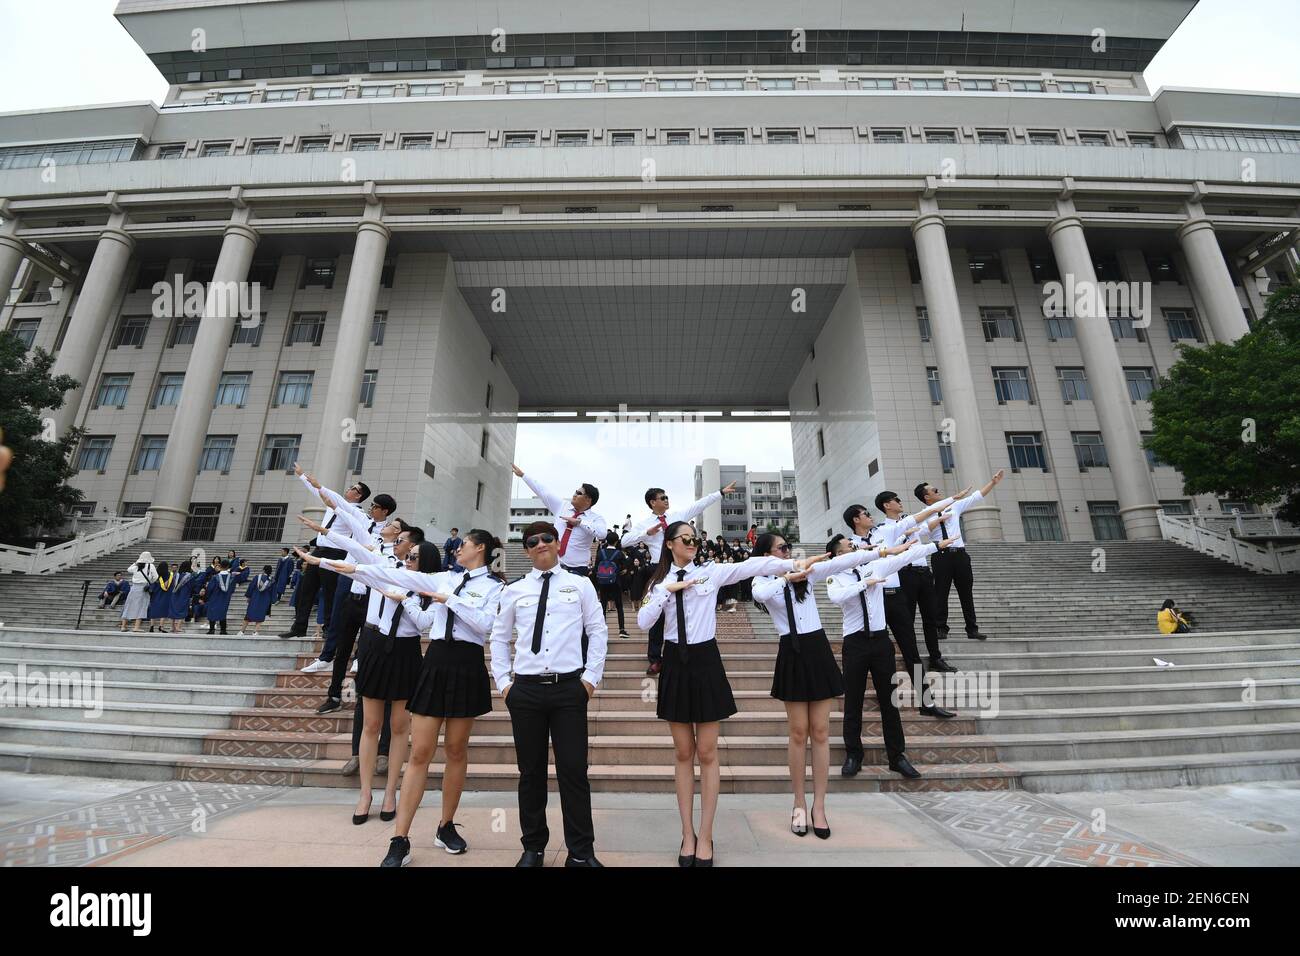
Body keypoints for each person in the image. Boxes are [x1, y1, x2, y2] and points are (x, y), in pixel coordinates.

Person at [637, 521, 825, 866]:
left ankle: (706, 834)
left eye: (695, 538)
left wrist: (792, 564)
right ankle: (687, 833)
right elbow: (643, 621)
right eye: (686, 539)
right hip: (675, 665)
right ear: (669, 545)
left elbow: (753, 566)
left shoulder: (711, 572)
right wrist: (668, 588)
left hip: (706, 660)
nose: (693, 543)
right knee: (683, 753)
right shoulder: (658, 582)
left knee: (707, 752)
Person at [352, 529, 506, 866]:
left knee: (455, 750)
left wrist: (451, 600)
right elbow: (393, 574)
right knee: (420, 752)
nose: (456, 548)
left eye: (463, 544)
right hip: (435, 661)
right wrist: (347, 567)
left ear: (479, 548)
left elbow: (484, 626)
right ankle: (399, 839)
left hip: (466, 664)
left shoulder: (495, 587)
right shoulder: (442, 578)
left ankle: (446, 825)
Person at [750, 532, 903, 839]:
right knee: (797, 733)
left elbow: (845, 560)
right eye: (782, 548)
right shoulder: (762, 580)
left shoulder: (810, 573)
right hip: (791, 652)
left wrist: (882, 552)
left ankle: (819, 806)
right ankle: (798, 804)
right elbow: (763, 595)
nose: (789, 551)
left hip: (817, 649)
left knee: (820, 732)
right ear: (768, 554)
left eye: (789, 547)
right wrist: (788, 574)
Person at [490, 520, 608, 867]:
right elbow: (499, 637)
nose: (540, 544)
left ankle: (581, 853)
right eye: (532, 541)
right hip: (524, 691)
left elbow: (597, 631)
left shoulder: (580, 585)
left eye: (546, 538)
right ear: (526, 550)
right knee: (531, 773)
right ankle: (533, 848)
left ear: (558, 543)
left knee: (573, 771)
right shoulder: (513, 590)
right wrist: (504, 683)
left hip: (569, 688)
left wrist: (590, 679)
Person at [309, 538, 440, 826]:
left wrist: (404, 599)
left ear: (426, 563)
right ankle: (365, 793)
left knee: (398, 727)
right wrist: (321, 561)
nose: (408, 559)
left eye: (415, 557)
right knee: (370, 724)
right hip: (376, 650)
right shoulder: (387, 572)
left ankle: (391, 792)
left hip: (406, 655)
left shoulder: (430, 590)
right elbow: (356, 567)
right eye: (408, 554)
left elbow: (424, 625)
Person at [826, 532, 956, 781]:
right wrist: (867, 583)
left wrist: (936, 545)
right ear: (839, 555)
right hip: (855, 643)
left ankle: (897, 756)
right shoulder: (835, 576)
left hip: (880, 641)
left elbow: (908, 555)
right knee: (853, 701)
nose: (856, 547)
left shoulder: (876, 565)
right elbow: (837, 598)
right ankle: (854, 754)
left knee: (889, 701)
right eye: (849, 546)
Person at [844, 501, 957, 718]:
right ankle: (885, 696)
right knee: (878, 652)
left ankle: (927, 703)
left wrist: (944, 504)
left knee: (911, 651)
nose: (870, 516)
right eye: (865, 514)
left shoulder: (885, 531)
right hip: (871, 601)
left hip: (895, 597)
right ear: (855, 520)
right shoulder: (850, 545)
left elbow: (918, 517)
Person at [622, 480, 737, 675]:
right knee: (657, 617)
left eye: (667, 497)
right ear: (652, 502)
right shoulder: (645, 524)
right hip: (660, 570)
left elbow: (699, 505)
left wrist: (720, 493)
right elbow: (624, 541)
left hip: (683, 569)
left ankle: (687, 651)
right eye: (663, 498)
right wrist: (645, 533)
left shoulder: (676, 517)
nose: (667, 500)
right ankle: (655, 659)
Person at [279, 470, 371, 639]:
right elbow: (318, 491)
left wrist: (318, 485)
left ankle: (329, 629)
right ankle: (299, 627)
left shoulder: (353, 511)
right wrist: (302, 476)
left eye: (353, 488)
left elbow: (325, 491)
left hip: (335, 553)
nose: (349, 489)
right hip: (318, 550)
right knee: (306, 590)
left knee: (330, 593)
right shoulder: (334, 502)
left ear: (358, 496)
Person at [915, 470, 1005, 641]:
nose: (938, 491)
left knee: (966, 593)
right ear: (926, 497)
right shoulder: (923, 515)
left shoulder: (954, 505)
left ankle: (972, 629)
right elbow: (923, 532)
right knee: (941, 593)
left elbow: (976, 496)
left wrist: (993, 482)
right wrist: (937, 521)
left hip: (960, 555)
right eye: (934, 490)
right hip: (941, 556)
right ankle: (941, 628)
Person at [512, 463, 607, 578]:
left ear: (588, 500)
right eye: (575, 491)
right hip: (554, 565)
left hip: (578, 569)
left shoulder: (595, 519)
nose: (574, 494)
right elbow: (543, 491)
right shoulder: (562, 506)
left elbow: (602, 534)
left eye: (579, 493)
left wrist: (580, 522)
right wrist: (523, 475)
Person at [121, 553, 156, 632]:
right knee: (142, 606)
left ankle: (123, 626)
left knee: (128, 605)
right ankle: (136, 627)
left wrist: (136, 562)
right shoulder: (151, 566)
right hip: (143, 588)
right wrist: (150, 582)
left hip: (134, 587)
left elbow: (128, 569)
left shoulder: (136, 566)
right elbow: (155, 577)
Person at [240, 565, 275, 635]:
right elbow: (273, 592)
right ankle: (255, 632)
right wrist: (273, 600)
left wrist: (248, 596)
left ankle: (241, 631)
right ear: (270, 572)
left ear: (263, 570)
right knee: (261, 615)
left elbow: (251, 587)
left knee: (249, 614)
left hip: (255, 598)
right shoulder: (272, 580)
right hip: (265, 600)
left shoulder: (257, 577)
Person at [204, 559, 235, 635]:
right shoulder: (231, 577)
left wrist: (207, 596)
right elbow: (232, 589)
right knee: (223, 612)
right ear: (228, 566)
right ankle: (223, 630)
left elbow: (210, 588)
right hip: (225, 598)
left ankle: (212, 630)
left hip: (214, 597)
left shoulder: (215, 577)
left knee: (212, 612)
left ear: (220, 566)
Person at [167, 560, 198, 634]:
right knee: (182, 610)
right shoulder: (189, 576)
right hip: (184, 594)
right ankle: (178, 627)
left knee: (173, 610)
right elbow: (192, 585)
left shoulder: (177, 575)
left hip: (174, 594)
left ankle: (172, 627)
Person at [146, 561, 173, 633]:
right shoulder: (169, 575)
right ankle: (161, 626)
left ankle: (151, 626)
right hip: (165, 595)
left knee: (153, 610)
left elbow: (151, 584)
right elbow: (170, 586)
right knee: (163, 611)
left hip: (155, 595)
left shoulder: (156, 574)